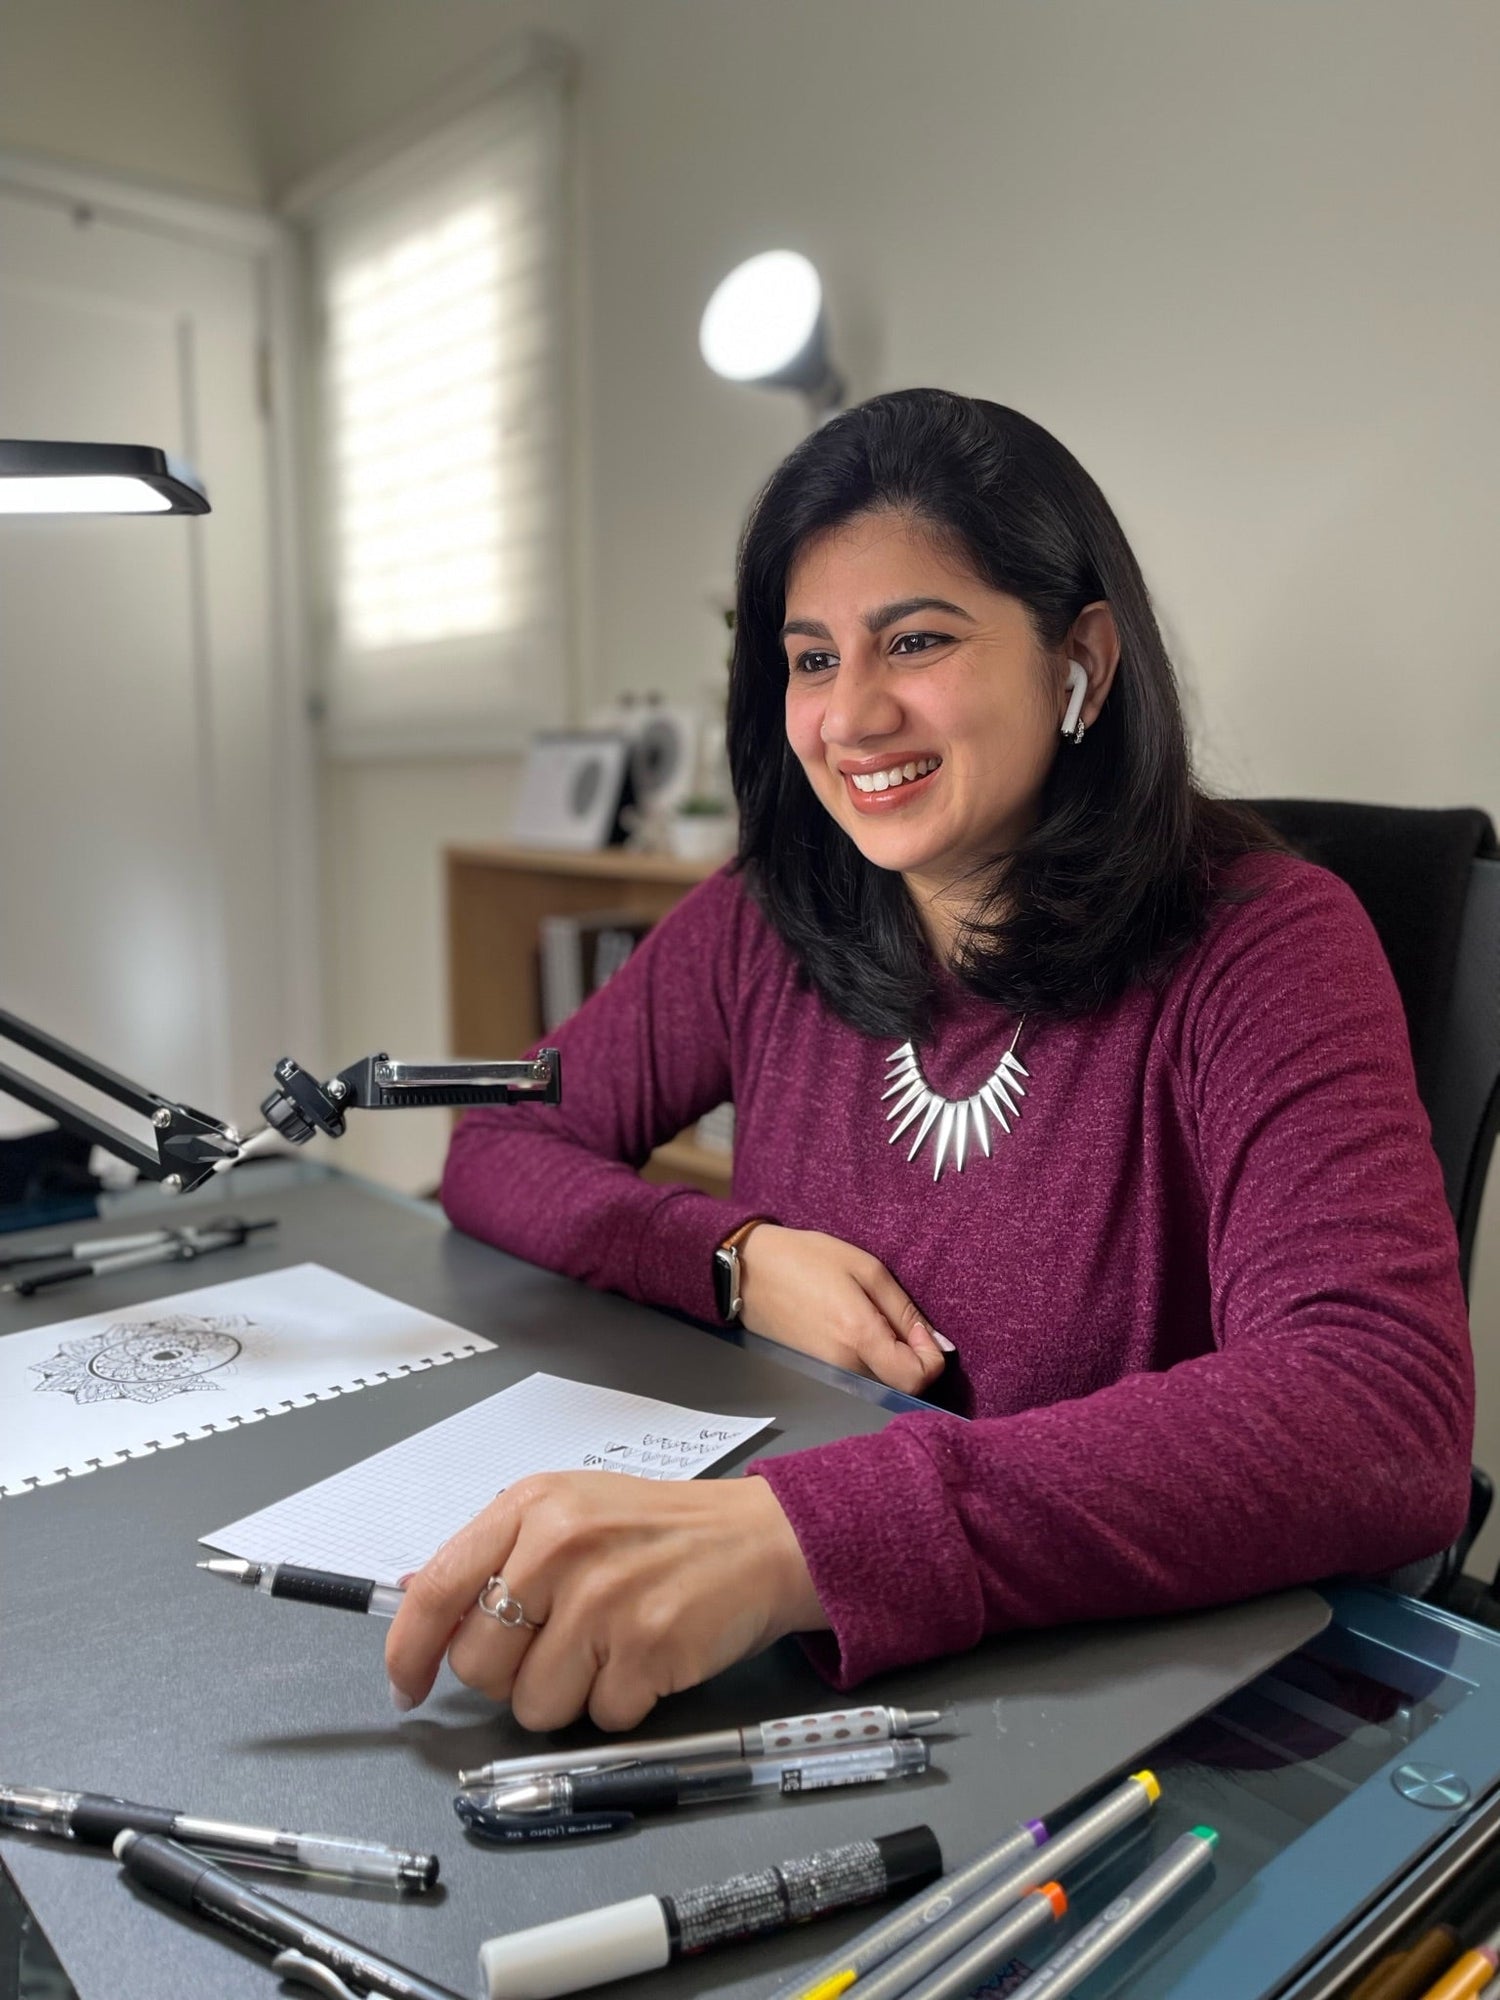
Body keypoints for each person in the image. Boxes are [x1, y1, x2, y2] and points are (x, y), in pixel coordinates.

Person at [385, 389, 1473, 1730]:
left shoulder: (1265, 941)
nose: (851, 717)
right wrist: (732, 1261)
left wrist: (804, 1539)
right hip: (810, 1653)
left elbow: (1379, 1409)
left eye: (916, 641)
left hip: (1126, 1692)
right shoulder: (768, 915)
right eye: (812, 659)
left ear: (1080, 661)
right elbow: (500, 1140)